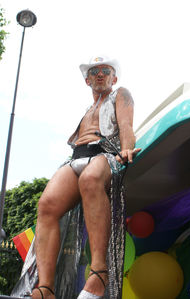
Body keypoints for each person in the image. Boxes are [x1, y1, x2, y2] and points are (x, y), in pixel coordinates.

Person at [31, 55, 140, 299]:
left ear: (114, 77)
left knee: (89, 179)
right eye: (93, 72)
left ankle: (99, 273)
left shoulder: (120, 93)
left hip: (104, 152)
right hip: (77, 156)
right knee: (47, 205)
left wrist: (126, 148)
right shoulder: (88, 109)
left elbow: (126, 125)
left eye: (105, 70)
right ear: (87, 81)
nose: (99, 74)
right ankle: (45, 288)